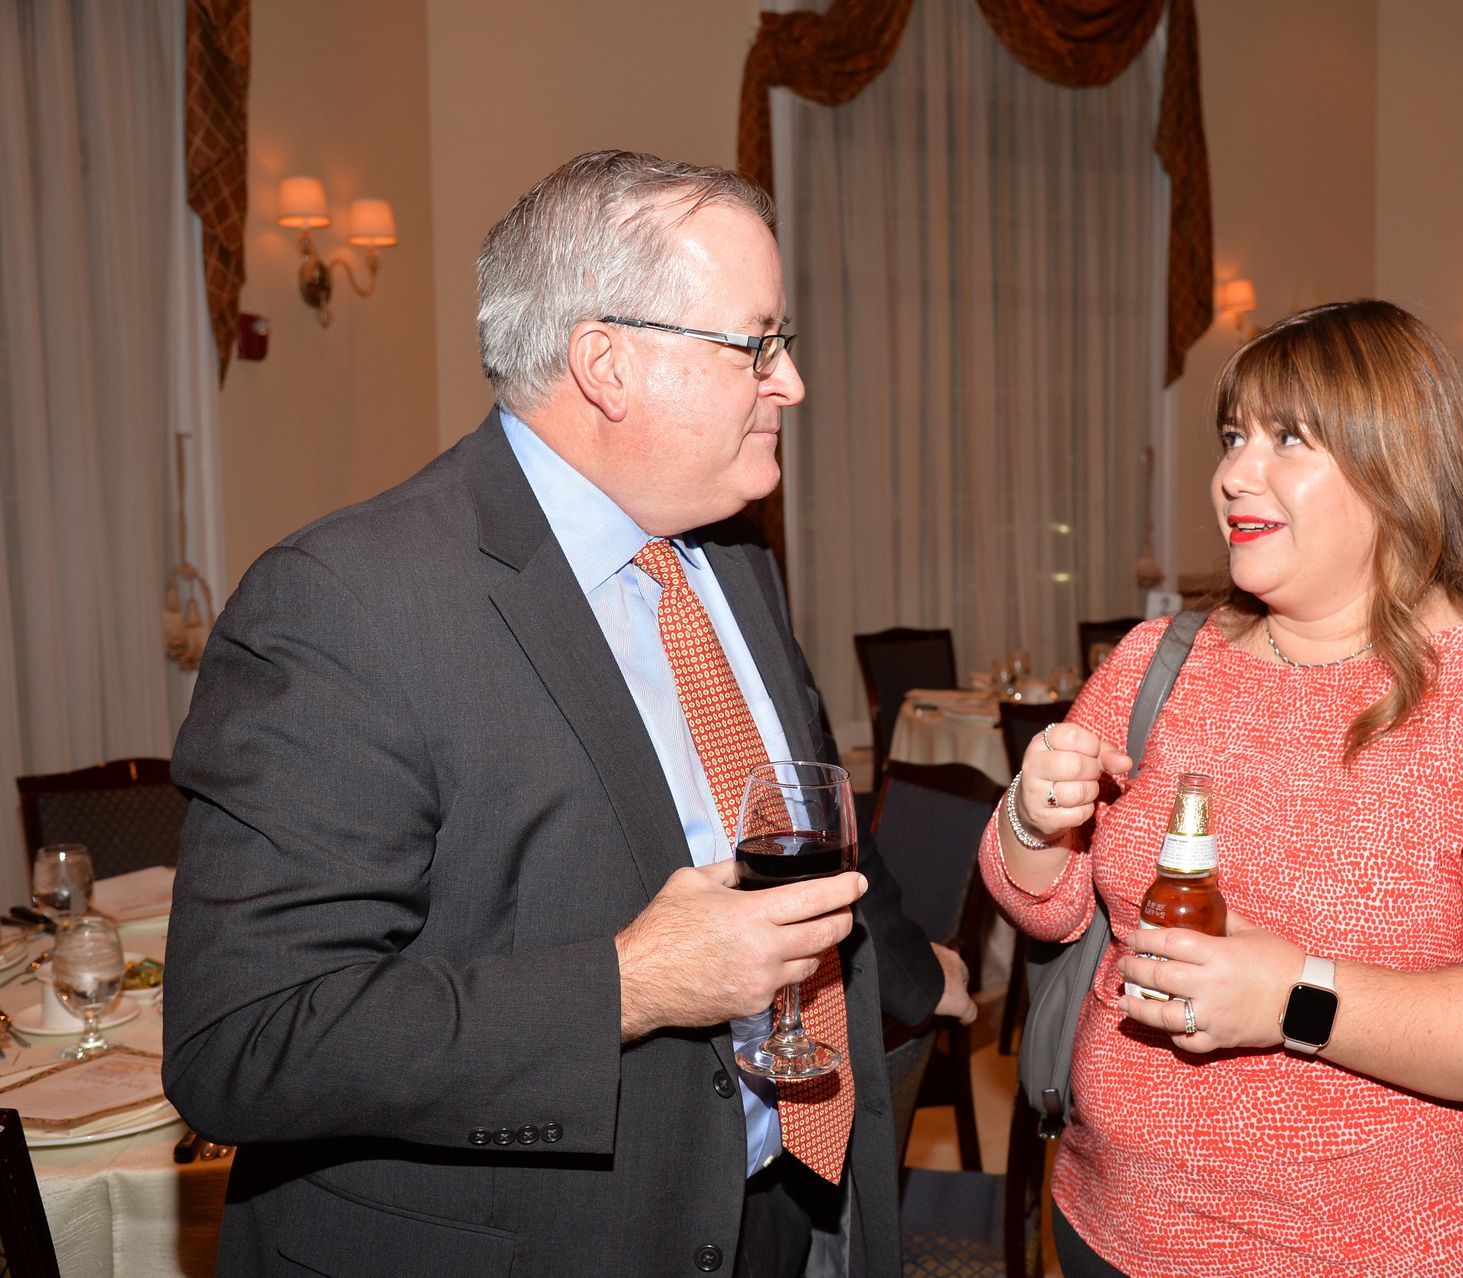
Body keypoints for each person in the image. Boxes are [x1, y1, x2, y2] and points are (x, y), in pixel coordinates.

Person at [162, 150, 970, 1277]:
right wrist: (629, 987)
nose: (790, 382)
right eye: (758, 344)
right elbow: (242, 1047)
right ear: (606, 364)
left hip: (777, 1209)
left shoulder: (731, 555)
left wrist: (916, 968)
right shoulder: (346, 604)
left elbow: (794, 818)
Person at [983, 299, 1463, 1276]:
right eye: (1232, 437)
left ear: (1397, 468)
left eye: (1286, 439)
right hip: (1111, 1230)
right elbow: (1041, 909)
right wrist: (1029, 822)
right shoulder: (1156, 659)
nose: (1230, 475)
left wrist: (1299, 998)